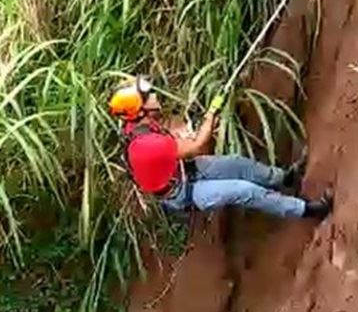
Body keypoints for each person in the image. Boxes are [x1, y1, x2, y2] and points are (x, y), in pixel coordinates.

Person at [108, 77, 332, 219]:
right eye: (147, 97)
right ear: (140, 112)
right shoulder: (148, 146)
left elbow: (176, 138)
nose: (154, 96)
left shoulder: (138, 125)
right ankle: (307, 210)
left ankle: (286, 178)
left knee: (238, 163)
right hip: (182, 192)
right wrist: (211, 114)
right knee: (244, 191)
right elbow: (197, 145)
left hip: (182, 170)